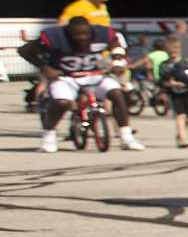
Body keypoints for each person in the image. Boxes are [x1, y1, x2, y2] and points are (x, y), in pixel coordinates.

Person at [26, 16, 145, 153]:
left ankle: (127, 137)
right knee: (62, 102)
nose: (82, 38)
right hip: (66, 77)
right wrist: (45, 68)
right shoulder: (54, 36)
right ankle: (48, 137)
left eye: (86, 34)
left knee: (117, 92)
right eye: (77, 34)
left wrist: (117, 62)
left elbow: (115, 43)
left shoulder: (101, 34)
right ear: (68, 32)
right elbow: (26, 51)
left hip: (93, 74)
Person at [159, 53, 188, 148]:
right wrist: (173, 84)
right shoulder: (165, 65)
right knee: (180, 115)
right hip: (174, 93)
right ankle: (183, 139)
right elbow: (164, 81)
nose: (173, 55)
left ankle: (180, 134)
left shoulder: (187, 63)